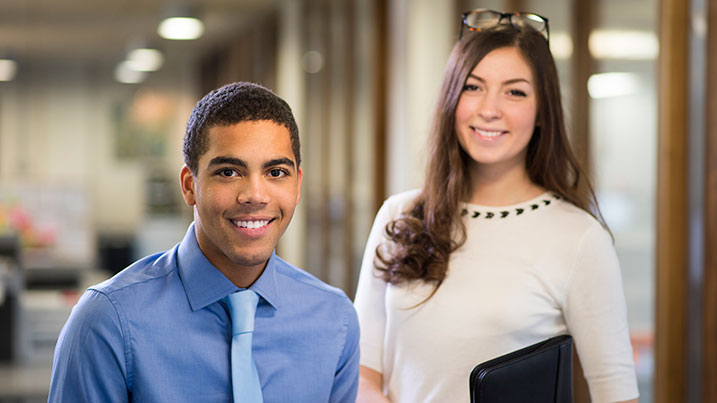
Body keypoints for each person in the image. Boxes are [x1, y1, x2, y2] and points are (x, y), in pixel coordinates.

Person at [354, 9, 639, 403]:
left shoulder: (580, 238)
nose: (489, 109)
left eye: (515, 91)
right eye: (473, 87)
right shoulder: (399, 216)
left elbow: (616, 392)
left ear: (543, 112)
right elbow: (363, 369)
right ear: (452, 99)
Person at [48, 82, 360, 403]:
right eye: (228, 172)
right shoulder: (108, 321)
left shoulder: (335, 320)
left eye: (276, 172)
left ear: (297, 185)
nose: (255, 195)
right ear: (189, 186)